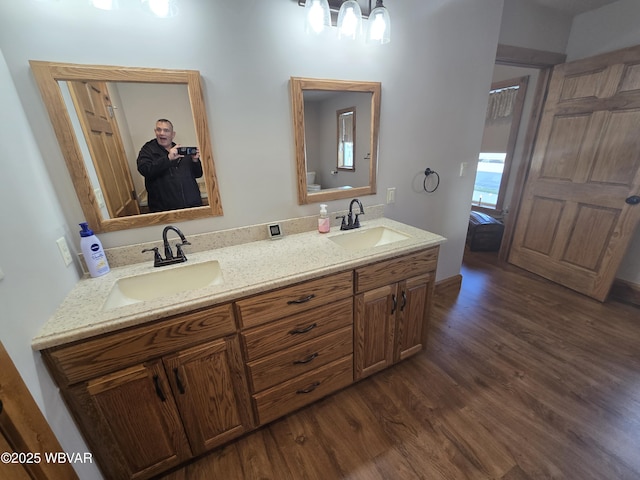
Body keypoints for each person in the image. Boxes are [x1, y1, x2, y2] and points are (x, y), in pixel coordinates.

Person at [137, 118, 203, 213]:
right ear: (155, 132)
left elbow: (198, 174)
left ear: (173, 134)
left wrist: (195, 160)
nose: (162, 133)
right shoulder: (148, 151)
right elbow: (145, 170)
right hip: (165, 211)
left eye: (166, 130)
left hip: (192, 207)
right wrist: (168, 159)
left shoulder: (181, 151)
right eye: (159, 130)